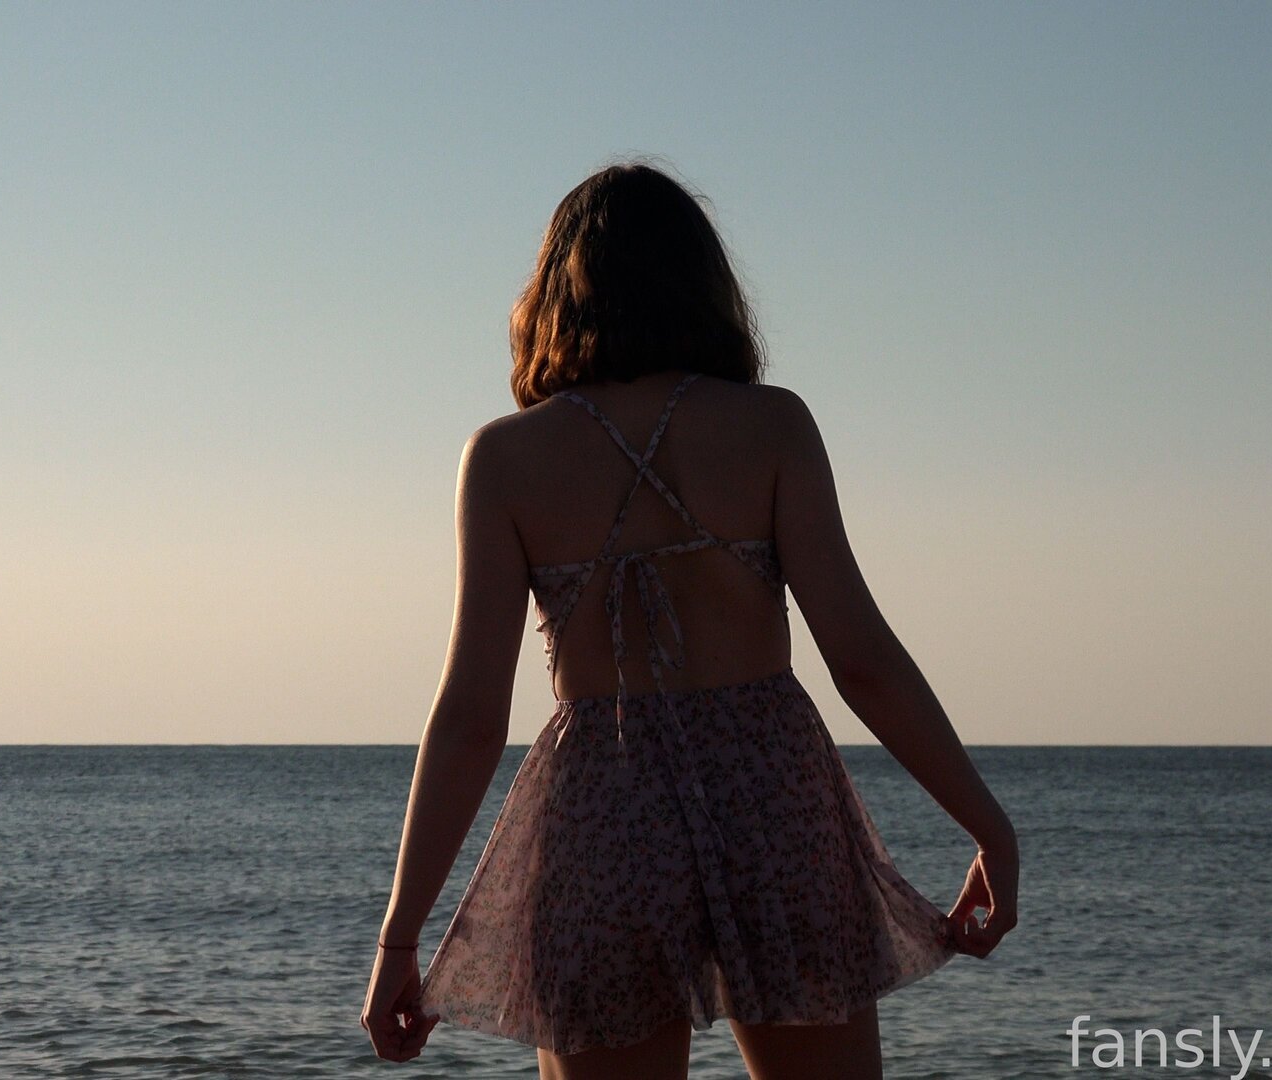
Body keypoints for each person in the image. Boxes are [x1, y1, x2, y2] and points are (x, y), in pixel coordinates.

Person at [360, 161, 1020, 1079]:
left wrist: (400, 937)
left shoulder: (506, 460)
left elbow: (471, 716)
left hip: (602, 814)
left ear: (554, 296)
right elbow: (862, 660)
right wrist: (988, 826)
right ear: (706, 287)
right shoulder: (773, 429)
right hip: (775, 801)